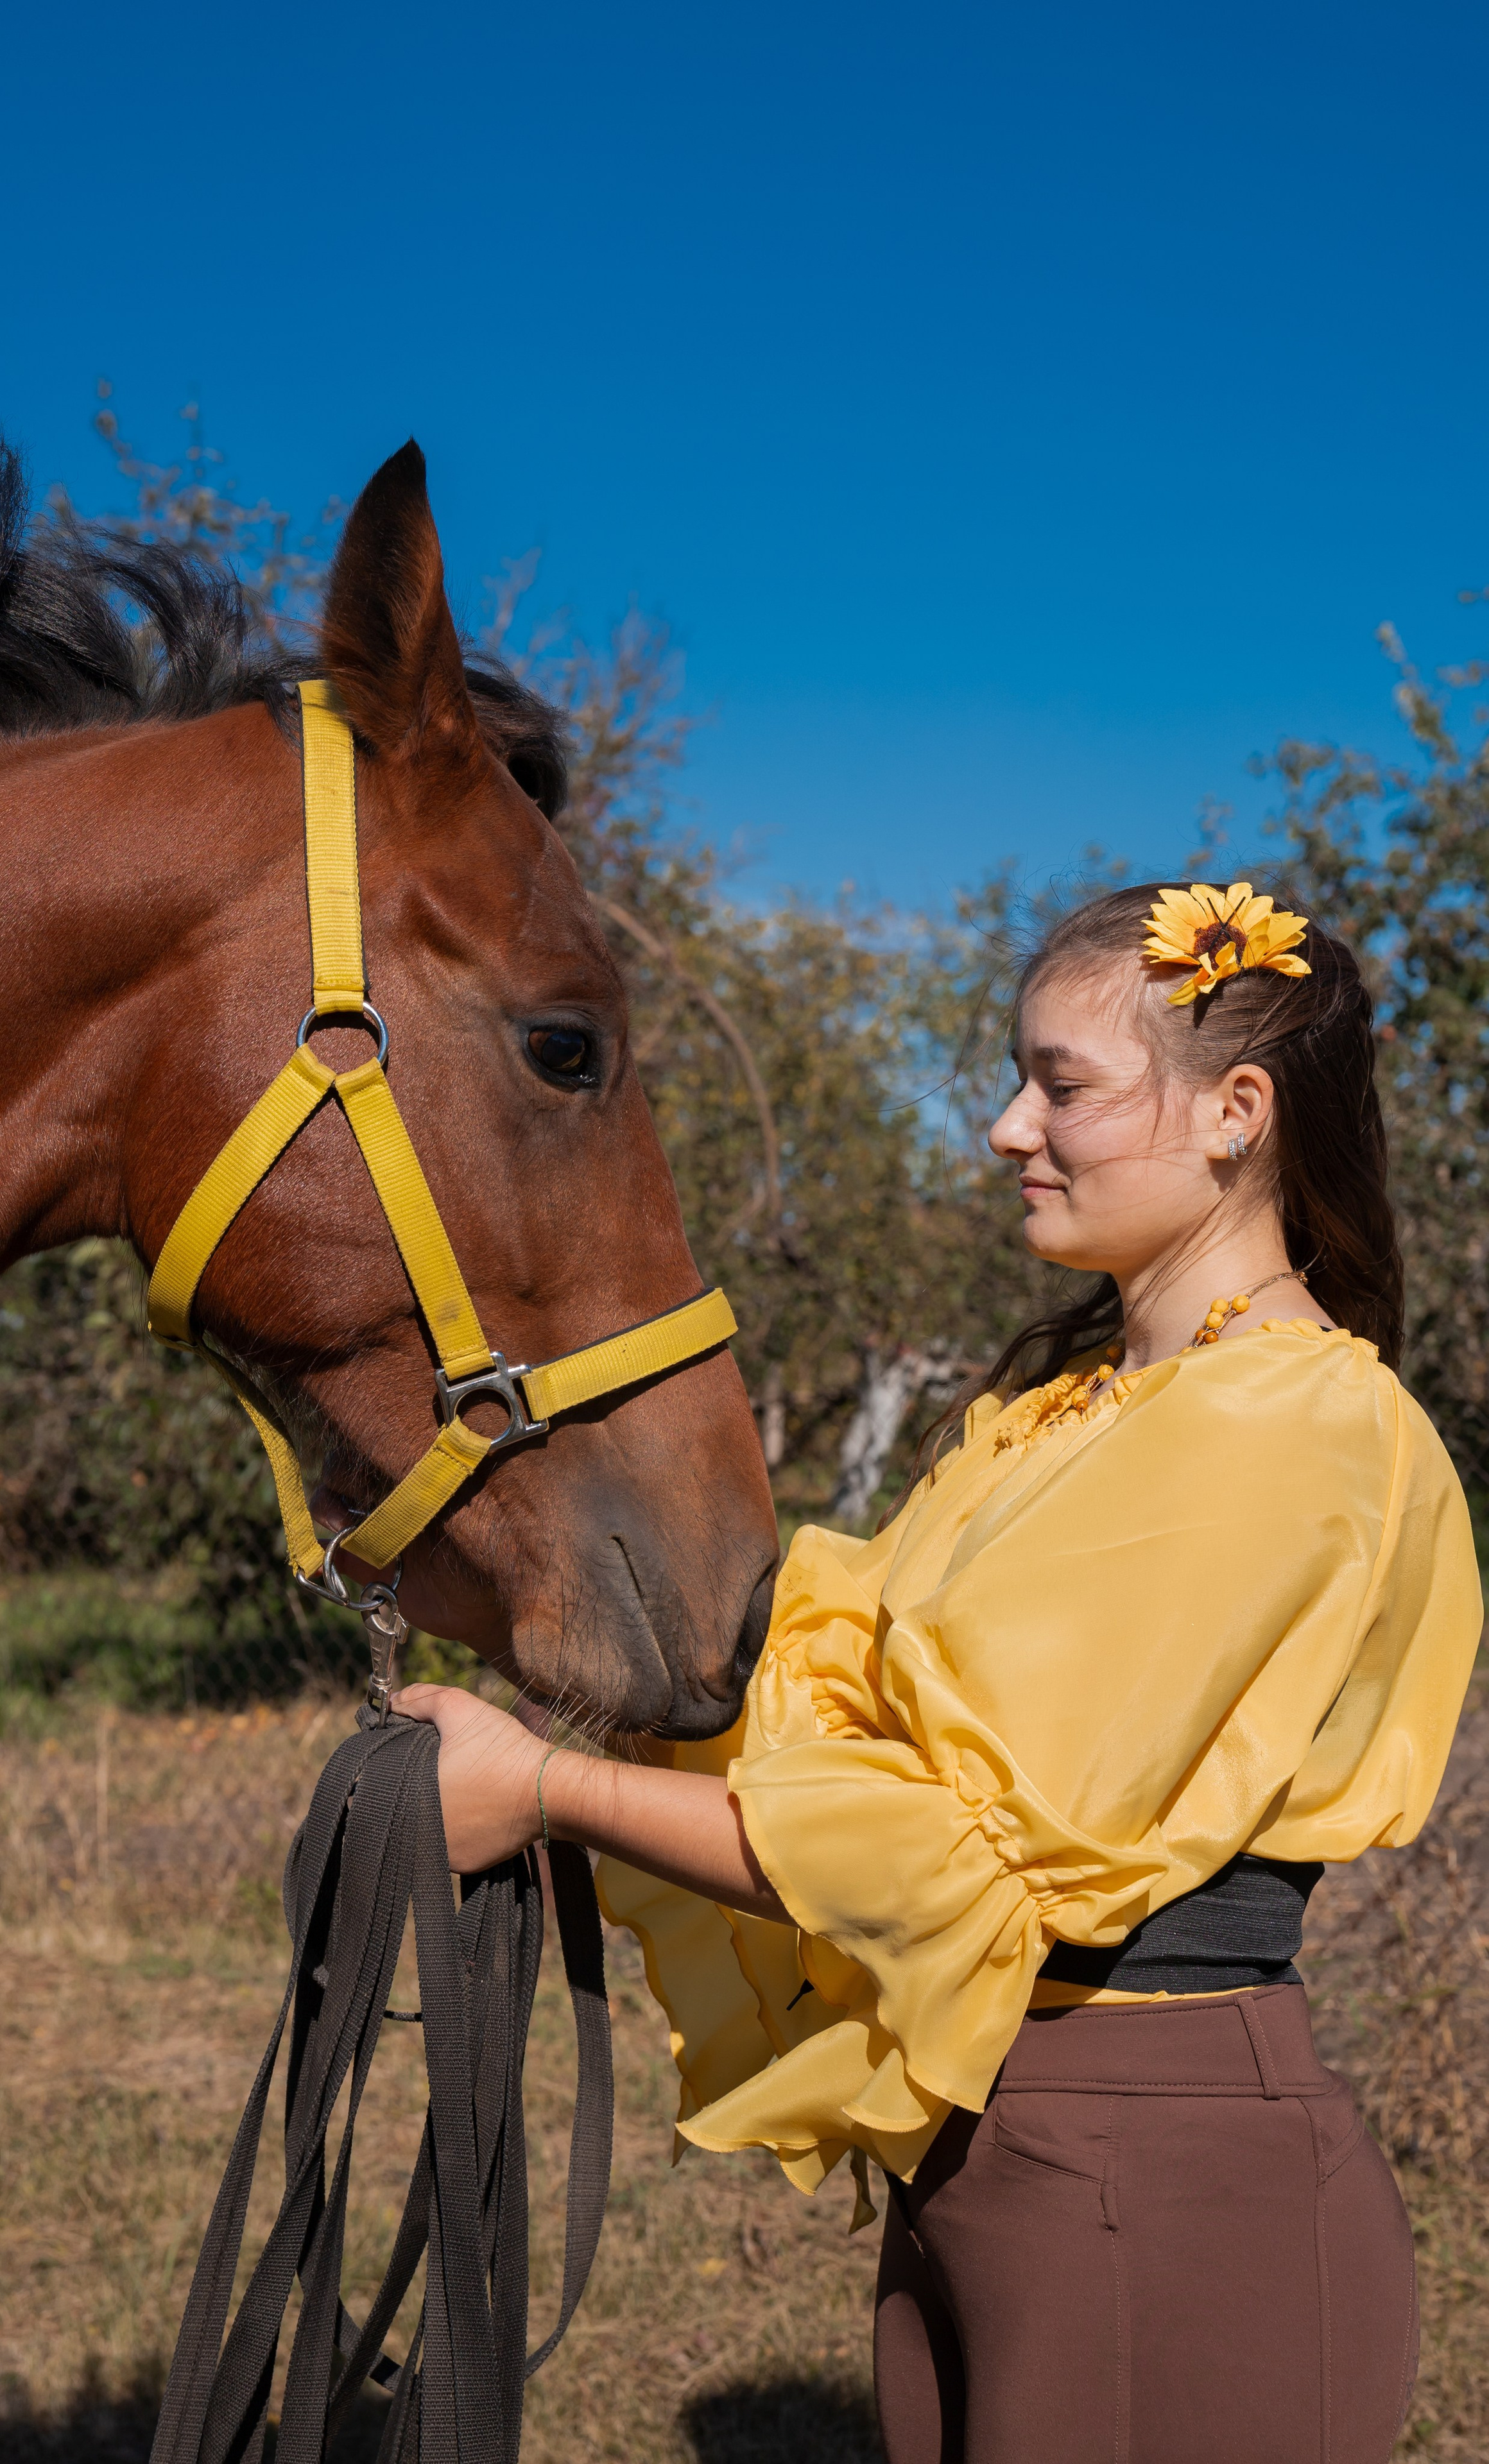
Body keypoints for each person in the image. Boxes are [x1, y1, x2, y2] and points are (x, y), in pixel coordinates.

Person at [388, 880, 1482, 2463]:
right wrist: (507, 1607)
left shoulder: (1284, 1428)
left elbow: (946, 1853)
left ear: (1236, 1113)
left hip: (1155, 2172)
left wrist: (546, 1791)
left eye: (1061, 1084)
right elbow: (810, 1707)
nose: (1000, 1127)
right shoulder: (1071, 1416)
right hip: (1008, 2149)